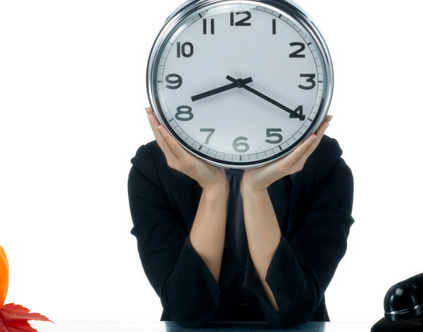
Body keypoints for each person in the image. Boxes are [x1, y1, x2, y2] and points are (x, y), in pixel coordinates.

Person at [128, 108, 354, 328]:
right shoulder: (153, 167)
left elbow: (293, 309)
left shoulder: (323, 163)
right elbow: (186, 309)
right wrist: (213, 189)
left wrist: (256, 190)